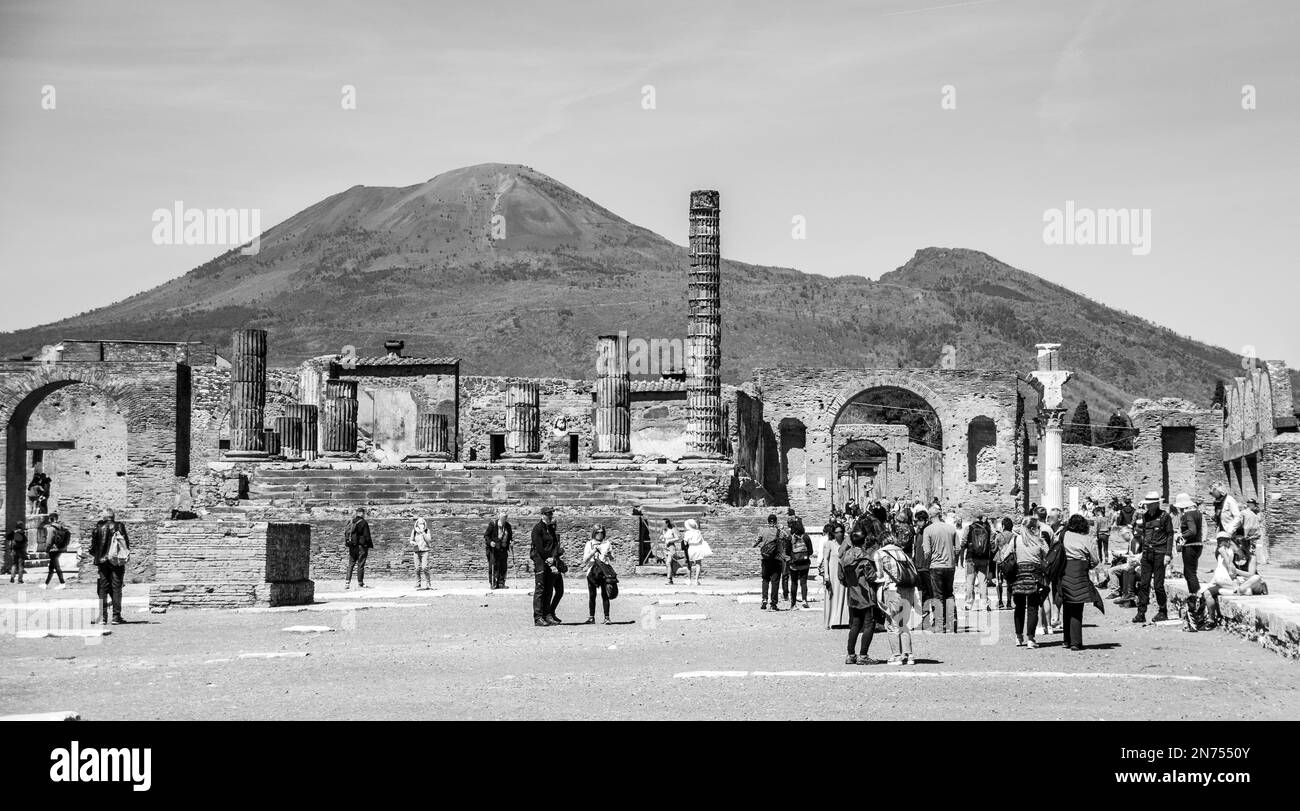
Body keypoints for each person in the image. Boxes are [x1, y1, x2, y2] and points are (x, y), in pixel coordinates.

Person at [1057, 513, 1104, 651]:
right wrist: (1088, 565)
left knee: (1067, 606)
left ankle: (1067, 640)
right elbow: (1095, 560)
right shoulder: (1086, 539)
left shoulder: (1064, 535)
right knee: (1077, 608)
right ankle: (1076, 642)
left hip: (1065, 571)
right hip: (1079, 571)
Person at [875, 534, 920, 665]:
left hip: (893, 590)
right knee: (903, 624)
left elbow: (879, 575)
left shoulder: (880, 553)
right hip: (909, 589)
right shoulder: (903, 553)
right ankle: (909, 655)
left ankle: (897, 656)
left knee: (892, 624)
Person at [839, 529, 883, 665]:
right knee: (869, 624)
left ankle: (850, 655)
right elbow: (871, 577)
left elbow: (841, 577)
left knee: (855, 625)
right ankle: (863, 655)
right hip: (865, 594)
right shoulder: (865, 558)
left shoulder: (844, 557)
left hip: (852, 594)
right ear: (864, 541)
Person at [1130, 492, 1172, 624]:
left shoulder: (1165, 516)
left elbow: (1170, 535)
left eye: (1149, 504)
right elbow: (1143, 534)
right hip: (1147, 552)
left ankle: (1163, 611)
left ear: (1156, 504)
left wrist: (1168, 554)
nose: (1147, 506)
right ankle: (1141, 613)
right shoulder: (1145, 516)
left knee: (1158, 585)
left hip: (1160, 552)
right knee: (1144, 584)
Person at [1010, 516, 1048, 648]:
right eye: (1037, 527)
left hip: (1019, 576)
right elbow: (1048, 556)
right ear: (1032, 528)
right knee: (1033, 608)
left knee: (1019, 607)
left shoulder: (1016, 540)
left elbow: (1006, 555)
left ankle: (1018, 637)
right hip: (1035, 576)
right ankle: (1031, 638)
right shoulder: (1039, 541)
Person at [87, 509, 129, 624]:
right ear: (113, 517)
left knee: (103, 589)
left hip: (102, 562)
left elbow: (93, 547)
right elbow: (125, 544)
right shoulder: (119, 526)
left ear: (104, 517)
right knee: (116, 588)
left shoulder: (98, 528)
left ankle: (103, 617)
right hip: (116, 561)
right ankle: (116, 617)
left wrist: (98, 555)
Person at [921, 509, 958, 633]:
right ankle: (951, 622)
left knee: (938, 596)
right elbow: (958, 548)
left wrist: (928, 562)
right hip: (950, 565)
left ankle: (940, 625)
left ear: (930, 516)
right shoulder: (951, 528)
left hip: (936, 565)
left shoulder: (928, 530)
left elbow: (927, 552)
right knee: (949, 593)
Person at [530, 507, 564, 626]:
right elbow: (539, 547)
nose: (550, 516)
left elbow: (555, 545)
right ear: (542, 515)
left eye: (551, 514)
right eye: (548, 514)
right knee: (540, 590)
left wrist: (553, 558)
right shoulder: (537, 529)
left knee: (549, 589)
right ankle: (538, 617)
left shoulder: (550, 529)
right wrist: (547, 559)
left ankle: (547, 615)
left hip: (550, 562)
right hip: (541, 563)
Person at [753, 513, 788, 611]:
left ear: (768, 522)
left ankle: (764, 599)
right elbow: (787, 537)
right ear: (776, 521)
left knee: (765, 580)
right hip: (776, 560)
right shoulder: (780, 532)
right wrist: (780, 528)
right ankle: (773, 604)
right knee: (775, 582)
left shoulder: (763, 531)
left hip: (765, 559)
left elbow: (755, 543)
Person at [959, 514, 993, 612]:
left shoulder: (969, 528)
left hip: (971, 559)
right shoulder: (987, 529)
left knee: (970, 582)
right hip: (984, 559)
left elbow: (963, 542)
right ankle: (984, 604)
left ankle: (968, 604)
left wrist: (961, 556)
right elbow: (991, 543)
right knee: (983, 582)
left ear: (973, 518)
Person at [582, 525, 614, 625]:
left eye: (601, 532)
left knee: (605, 595)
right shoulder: (589, 544)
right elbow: (585, 560)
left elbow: (612, 558)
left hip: (604, 572)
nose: (600, 534)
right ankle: (591, 617)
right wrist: (593, 551)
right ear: (594, 533)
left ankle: (607, 618)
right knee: (592, 595)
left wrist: (609, 555)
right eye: (597, 532)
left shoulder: (607, 543)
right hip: (592, 571)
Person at [1172, 493, 1204, 593]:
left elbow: (1192, 531)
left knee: (1189, 573)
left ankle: (1196, 595)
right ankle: (1194, 594)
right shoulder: (1198, 513)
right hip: (1198, 545)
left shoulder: (1187, 515)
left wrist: (1181, 535)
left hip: (1190, 546)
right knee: (1190, 572)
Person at [820, 524, 849, 628]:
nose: (839, 534)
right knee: (832, 596)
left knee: (844, 595)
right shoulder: (829, 544)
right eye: (837, 532)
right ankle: (831, 621)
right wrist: (826, 575)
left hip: (844, 573)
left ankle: (843, 620)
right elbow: (825, 559)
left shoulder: (847, 544)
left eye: (841, 532)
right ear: (833, 533)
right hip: (832, 573)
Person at [785, 517, 813, 608]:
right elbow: (811, 551)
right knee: (803, 582)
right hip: (805, 563)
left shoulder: (790, 538)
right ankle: (804, 600)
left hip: (794, 563)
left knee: (794, 583)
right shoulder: (806, 537)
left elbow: (787, 552)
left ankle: (793, 604)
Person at [343, 507, 373, 590]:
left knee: (351, 564)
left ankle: (347, 583)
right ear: (362, 513)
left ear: (357, 513)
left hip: (352, 546)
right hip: (361, 546)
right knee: (360, 564)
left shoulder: (351, 521)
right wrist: (369, 545)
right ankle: (360, 583)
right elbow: (367, 536)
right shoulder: (363, 522)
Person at [41, 512, 71, 590]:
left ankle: (62, 583)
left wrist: (46, 550)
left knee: (57, 567)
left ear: (51, 519)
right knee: (51, 567)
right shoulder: (61, 527)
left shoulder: (52, 528)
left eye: (49, 519)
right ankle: (45, 584)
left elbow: (49, 541)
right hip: (59, 549)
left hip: (53, 549)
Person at [484, 511, 512, 589]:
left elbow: (510, 537)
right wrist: (490, 542)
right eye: (502, 517)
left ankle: (501, 583)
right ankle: (493, 583)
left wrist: (511, 542)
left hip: (503, 548)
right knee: (493, 565)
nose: (504, 519)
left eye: (505, 517)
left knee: (503, 566)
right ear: (499, 517)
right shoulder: (493, 524)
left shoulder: (508, 526)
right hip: (493, 549)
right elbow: (486, 535)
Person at [993, 517, 1015, 609]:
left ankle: (1000, 601)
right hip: (1010, 561)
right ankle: (1009, 602)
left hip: (1000, 560)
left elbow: (994, 548)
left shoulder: (999, 536)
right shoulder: (1014, 536)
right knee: (1010, 581)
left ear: (1003, 526)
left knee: (999, 581)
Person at [682, 518, 710, 586]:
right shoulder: (698, 532)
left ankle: (689, 580)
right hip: (698, 548)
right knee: (698, 564)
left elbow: (685, 542)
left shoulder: (687, 533)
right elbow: (701, 541)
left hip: (691, 548)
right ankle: (696, 580)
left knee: (689, 564)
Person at [409, 517, 432, 590]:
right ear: (417, 524)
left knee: (424, 567)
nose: (421, 525)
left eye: (423, 523)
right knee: (417, 568)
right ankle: (418, 583)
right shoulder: (414, 531)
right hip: (416, 551)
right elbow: (411, 540)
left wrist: (423, 532)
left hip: (425, 550)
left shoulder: (427, 531)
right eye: (420, 523)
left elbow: (429, 540)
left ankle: (428, 582)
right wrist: (413, 543)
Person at [661, 519, 685, 585]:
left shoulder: (672, 530)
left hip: (671, 548)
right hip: (665, 548)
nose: (661, 525)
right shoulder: (664, 530)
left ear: (667, 524)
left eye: (663, 523)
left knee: (668, 563)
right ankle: (670, 580)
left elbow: (677, 538)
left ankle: (668, 579)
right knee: (668, 564)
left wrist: (670, 541)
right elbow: (664, 539)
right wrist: (662, 538)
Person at [1239, 499, 1262, 564]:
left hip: (1250, 534)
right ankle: (1250, 563)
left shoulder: (1251, 513)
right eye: (1255, 505)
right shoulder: (1249, 513)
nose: (1256, 506)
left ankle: (1249, 563)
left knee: (1248, 550)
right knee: (1249, 550)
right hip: (1250, 534)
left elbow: (1241, 523)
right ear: (1251, 505)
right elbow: (1245, 524)